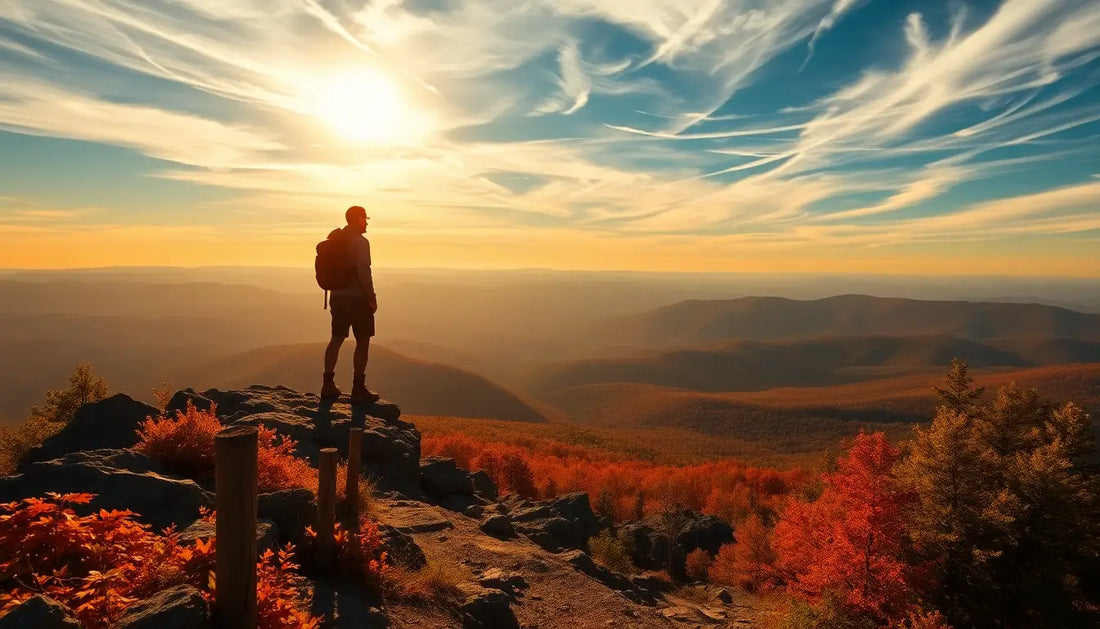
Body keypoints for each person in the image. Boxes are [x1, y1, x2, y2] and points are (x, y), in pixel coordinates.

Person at [321, 205, 380, 403]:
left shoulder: (336, 238)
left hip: (337, 297)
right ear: (358, 219)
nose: (367, 222)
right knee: (362, 341)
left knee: (336, 338)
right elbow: (364, 271)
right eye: (365, 218)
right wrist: (371, 297)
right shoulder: (361, 242)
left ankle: (327, 384)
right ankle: (358, 388)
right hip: (357, 298)